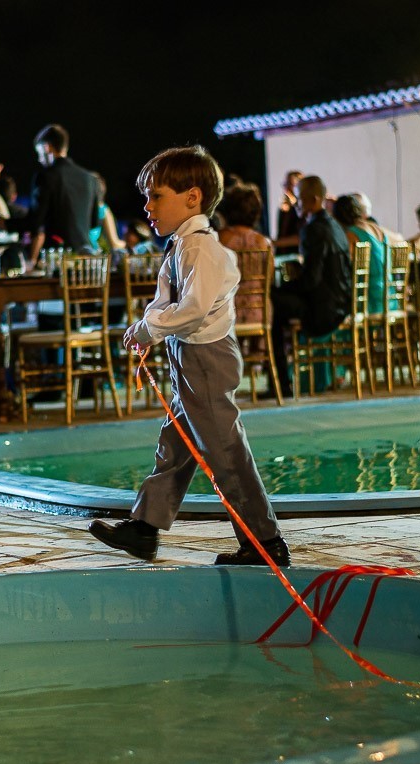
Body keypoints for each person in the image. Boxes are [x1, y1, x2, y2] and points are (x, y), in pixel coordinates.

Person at [87, 145, 286, 567]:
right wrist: (151, 329)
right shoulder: (182, 246)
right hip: (189, 357)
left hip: (207, 361)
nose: (147, 205)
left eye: (156, 196)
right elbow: (166, 300)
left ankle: (264, 543)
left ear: (192, 198)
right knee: (175, 445)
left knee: (226, 453)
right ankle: (145, 527)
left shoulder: (201, 249)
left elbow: (193, 307)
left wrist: (148, 328)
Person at [269, 175, 352, 398]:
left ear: (314, 200)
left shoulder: (313, 229)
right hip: (341, 302)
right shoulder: (334, 225)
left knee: (270, 303)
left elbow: (310, 281)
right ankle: (282, 381)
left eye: (300, 199)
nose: (296, 204)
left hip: (323, 308)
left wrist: (283, 286)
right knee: (275, 300)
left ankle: (280, 384)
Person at [26, 124, 99, 266]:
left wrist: (6, 223)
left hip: (57, 259)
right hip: (86, 260)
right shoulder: (90, 178)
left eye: (39, 153)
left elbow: (35, 222)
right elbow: (94, 222)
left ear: (47, 147)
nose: (39, 159)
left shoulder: (46, 177)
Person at [216, 182, 272, 326]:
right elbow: (269, 281)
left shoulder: (219, 239)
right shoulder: (263, 243)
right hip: (258, 312)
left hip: (227, 313)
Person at [333, 193, 394, 314]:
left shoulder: (352, 234)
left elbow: (344, 266)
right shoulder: (376, 228)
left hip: (369, 300)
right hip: (390, 297)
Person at [274, 170, 304, 253]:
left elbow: (299, 237)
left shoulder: (302, 210)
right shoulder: (283, 209)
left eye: (290, 185)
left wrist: (274, 243)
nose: (286, 189)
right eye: (285, 184)